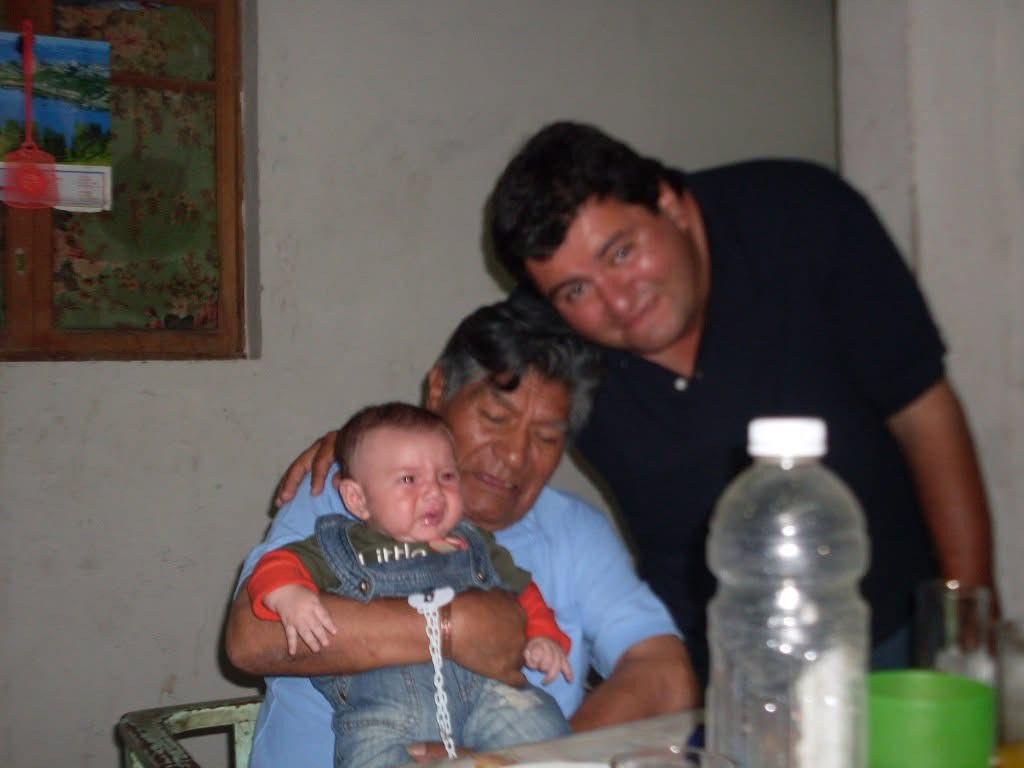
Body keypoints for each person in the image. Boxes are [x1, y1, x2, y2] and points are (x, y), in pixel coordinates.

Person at [279, 120, 996, 688]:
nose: (618, 302)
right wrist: (363, 445)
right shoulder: (553, 328)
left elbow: (926, 418)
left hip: (884, 622)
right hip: (711, 656)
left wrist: (965, 634)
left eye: (621, 252)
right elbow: (471, 394)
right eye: (575, 292)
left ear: (670, 202)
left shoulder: (806, 221)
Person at [225, 294, 698, 768]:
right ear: (438, 391)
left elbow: (665, 672)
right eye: (495, 418)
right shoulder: (340, 496)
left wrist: (534, 760)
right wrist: (454, 627)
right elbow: (251, 638)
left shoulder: (572, 530)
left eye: (546, 436)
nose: (513, 455)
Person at [249, 401, 572, 767]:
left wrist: (544, 635)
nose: (433, 493)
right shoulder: (339, 547)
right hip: (383, 718)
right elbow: (277, 565)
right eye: (408, 480)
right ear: (358, 499)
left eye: (446, 476)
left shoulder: (474, 543)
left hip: (490, 697)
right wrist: (288, 593)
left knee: (542, 731)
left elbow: (522, 591)